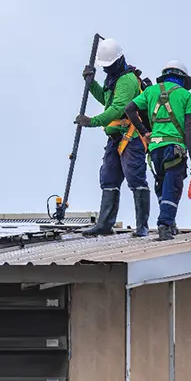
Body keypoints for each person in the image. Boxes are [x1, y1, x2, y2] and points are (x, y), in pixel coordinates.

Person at [74, 38, 152, 237]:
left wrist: (91, 121)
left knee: (135, 178)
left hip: (131, 138)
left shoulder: (126, 80)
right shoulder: (114, 78)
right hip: (115, 138)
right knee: (109, 178)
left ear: (118, 61)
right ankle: (105, 224)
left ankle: (142, 226)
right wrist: (91, 84)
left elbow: (118, 110)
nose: (106, 70)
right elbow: (106, 100)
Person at [125, 60, 191, 241]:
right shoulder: (186, 96)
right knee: (172, 187)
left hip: (155, 150)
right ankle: (165, 225)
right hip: (175, 148)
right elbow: (190, 128)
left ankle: (170, 222)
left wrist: (144, 132)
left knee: (161, 185)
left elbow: (130, 109)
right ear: (182, 79)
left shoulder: (151, 92)